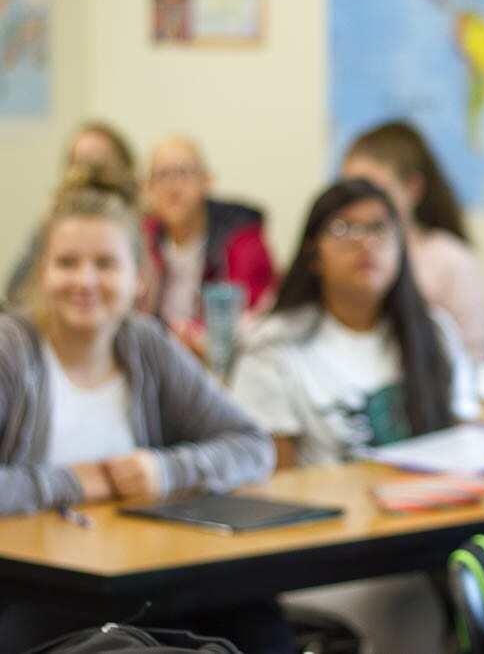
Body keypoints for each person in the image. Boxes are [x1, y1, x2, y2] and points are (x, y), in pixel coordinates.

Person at [0, 164, 287, 651]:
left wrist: (164, 470)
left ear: (139, 279)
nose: (85, 280)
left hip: (148, 584)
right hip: (36, 591)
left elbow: (252, 445)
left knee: (264, 629)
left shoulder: (146, 344)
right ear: (41, 272)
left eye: (106, 264)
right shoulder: (12, 349)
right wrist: (73, 482)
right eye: (66, 262)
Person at [230, 177, 477, 648]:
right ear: (312, 252)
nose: (366, 243)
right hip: (332, 555)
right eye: (345, 229)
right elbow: (272, 490)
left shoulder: (433, 334)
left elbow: (466, 452)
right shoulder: (275, 346)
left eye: (381, 229)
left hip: (430, 546)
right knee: (403, 605)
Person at [342, 121, 484, 362]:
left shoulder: (449, 260)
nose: (361, 204)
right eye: (350, 191)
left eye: (375, 191)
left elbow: (474, 358)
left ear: (412, 188)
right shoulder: (336, 252)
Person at [143, 135, 276, 355]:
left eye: (183, 173)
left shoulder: (241, 234)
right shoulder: (141, 237)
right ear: (147, 188)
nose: (173, 186)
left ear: (207, 181)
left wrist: (197, 336)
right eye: (162, 175)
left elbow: (250, 307)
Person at [5, 121, 139, 303]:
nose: (85, 281)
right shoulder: (52, 224)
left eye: (98, 164)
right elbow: (15, 292)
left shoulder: (142, 226)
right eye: (78, 163)